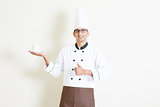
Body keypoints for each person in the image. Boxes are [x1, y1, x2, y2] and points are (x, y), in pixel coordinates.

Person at [29, 8, 111, 107]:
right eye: (77, 31)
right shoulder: (65, 50)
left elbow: (106, 71)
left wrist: (85, 72)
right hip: (67, 91)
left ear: (88, 33)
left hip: (86, 93)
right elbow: (56, 72)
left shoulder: (95, 51)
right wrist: (44, 56)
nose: (80, 33)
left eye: (83, 30)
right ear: (74, 34)